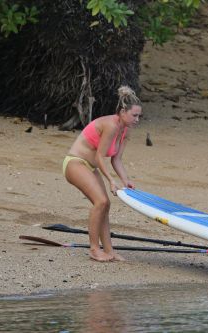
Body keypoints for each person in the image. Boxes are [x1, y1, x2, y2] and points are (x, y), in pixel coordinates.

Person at [63, 86, 142, 262]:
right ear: (123, 111)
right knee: (101, 201)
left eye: (139, 116)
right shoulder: (111, 125)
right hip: (75, 163)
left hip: (90, 167)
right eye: (134, 115)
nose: (137, 119)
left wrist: (125, 180)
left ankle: (109, 251)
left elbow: (116, 159)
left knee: (105, 206)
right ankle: (94, 249)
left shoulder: (125, 130)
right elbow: (100, 155)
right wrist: (111, 181)